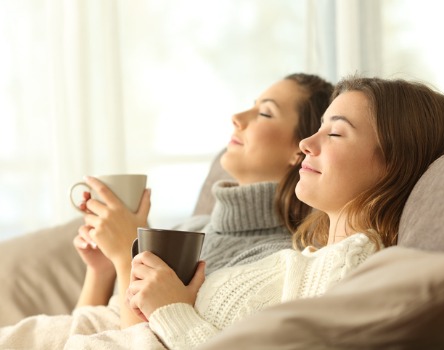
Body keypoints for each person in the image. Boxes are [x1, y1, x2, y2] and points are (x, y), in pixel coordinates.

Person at [59, 74, 444, 349]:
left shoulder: (351, 269)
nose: (306, 145)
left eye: (335, 133)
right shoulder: (302, 260)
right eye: (317, 128)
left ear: (393, 162)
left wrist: (167, 307)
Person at [0, 73, 334, 347]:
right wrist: (102, 270)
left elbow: (139, 342)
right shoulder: (194, 225)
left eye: (265, 112)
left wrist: (126, 253)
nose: (237, 118)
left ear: (303, 149)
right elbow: (88, 330)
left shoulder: (273, 260)